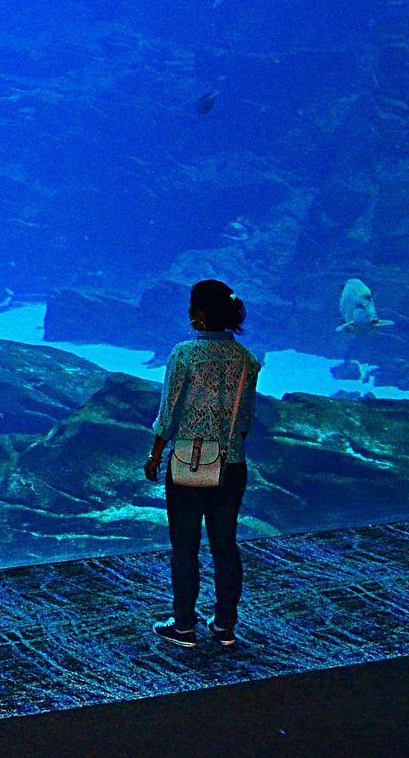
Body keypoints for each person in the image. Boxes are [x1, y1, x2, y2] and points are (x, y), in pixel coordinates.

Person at [144, 279, 261, 650]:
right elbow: (245, 419)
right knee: (225, 544)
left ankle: (183, 626)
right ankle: (225, 625)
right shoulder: (246, 359)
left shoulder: (184, 355)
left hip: (191, 462)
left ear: (200, 314)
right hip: (232, 462)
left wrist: (155, 452)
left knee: (185, 545)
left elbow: (170, 412)